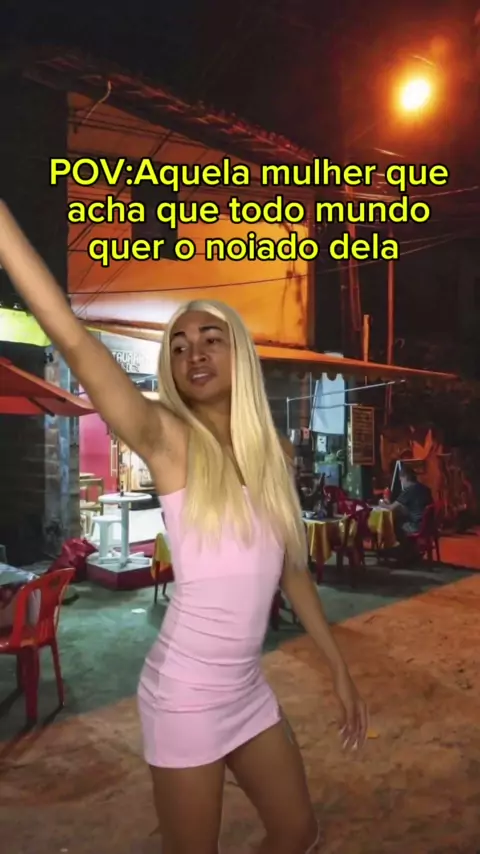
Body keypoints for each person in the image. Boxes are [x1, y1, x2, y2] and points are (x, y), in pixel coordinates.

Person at [0, 201, 367, 854]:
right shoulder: (167, 439)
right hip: (186, 696)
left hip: (247, 691)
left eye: (210, 339)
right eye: (178, 345)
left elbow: (292, 570)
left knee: (297, 832)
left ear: (239, 353)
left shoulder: (273, 455)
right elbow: (73, 338)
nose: (192, 353)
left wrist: (338, 667)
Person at [383, 463, 432, 544]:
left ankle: (403, 547)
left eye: (401, 480)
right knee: (401, 516)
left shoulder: (408, 490)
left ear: (405, 477)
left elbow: (390, 508)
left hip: (416, 526)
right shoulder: (425, 488)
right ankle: (410, 547)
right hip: (428, 525)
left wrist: (383, 502)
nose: (401, 482)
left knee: (394, 522)